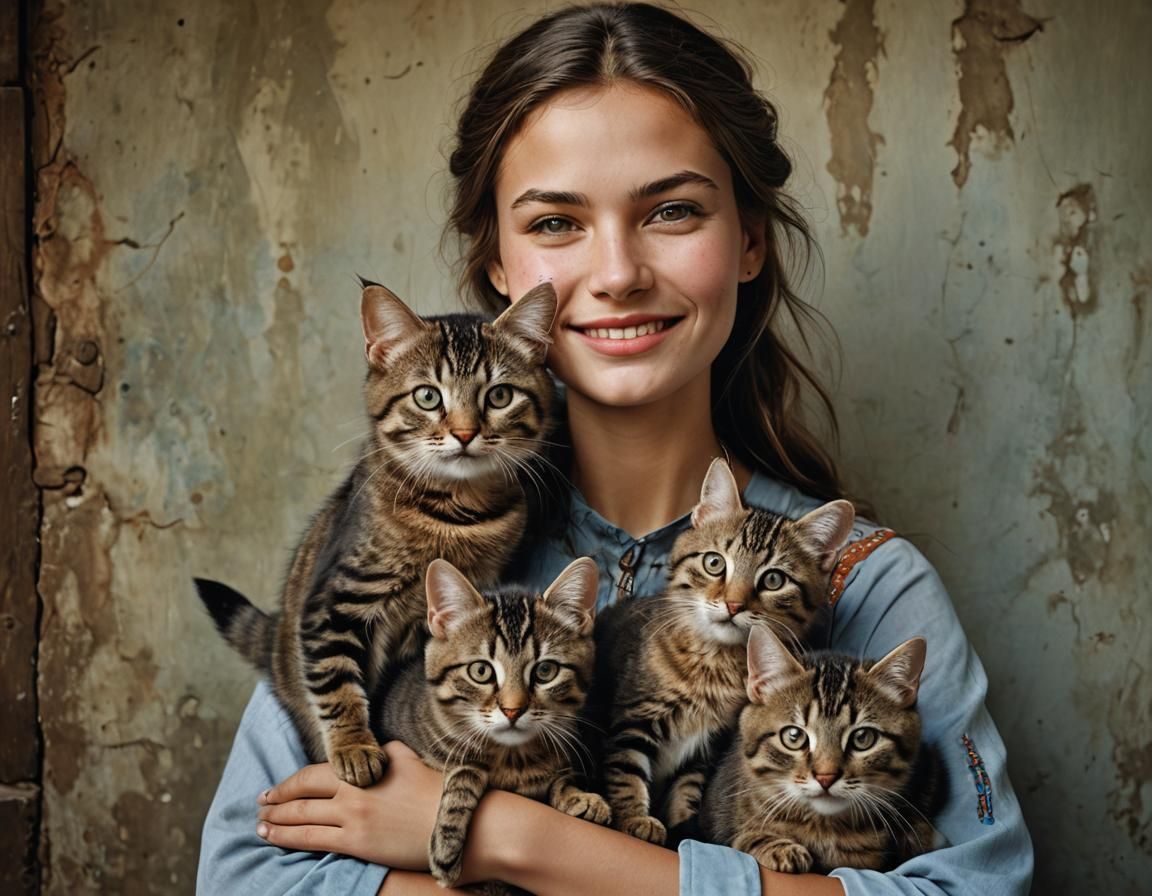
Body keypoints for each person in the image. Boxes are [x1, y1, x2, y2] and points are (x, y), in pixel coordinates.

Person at [196, 4, 1033, 894]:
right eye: (556, 223)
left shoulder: (865, 581)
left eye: (671, 210)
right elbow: (244, 875)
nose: (619, 272)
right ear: (496, 269)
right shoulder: (420, 536)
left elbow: (978, 887)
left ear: (749, 239)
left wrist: (513, 839)